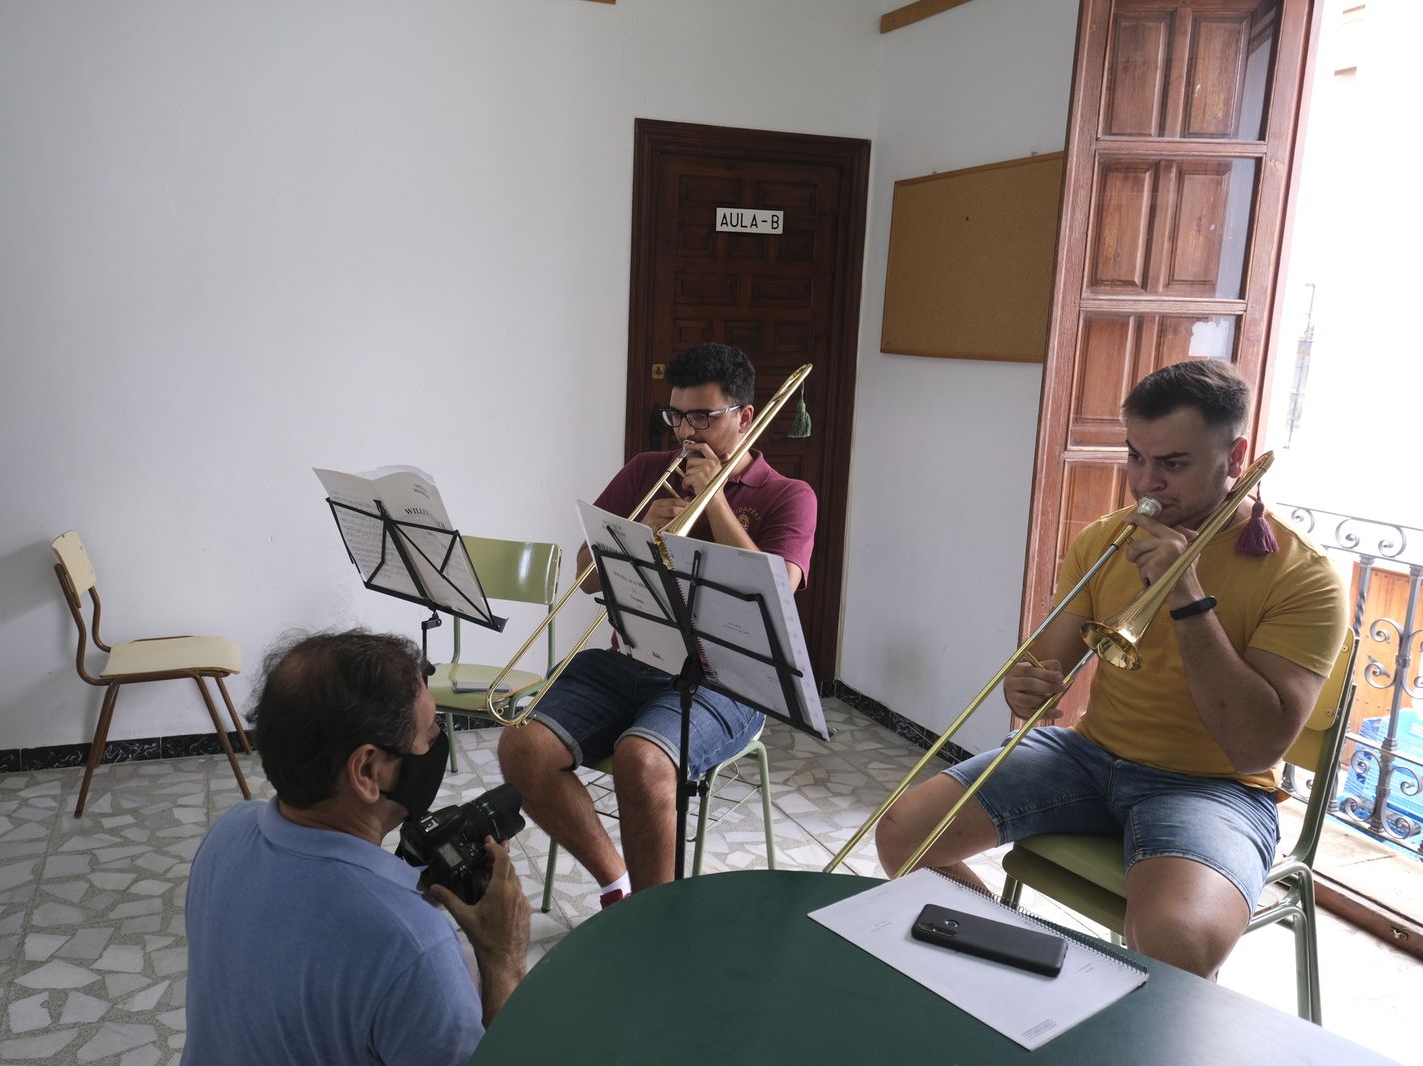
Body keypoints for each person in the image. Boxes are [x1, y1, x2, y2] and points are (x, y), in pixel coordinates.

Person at [875, 359, 1346, 979]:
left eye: (1173, 464)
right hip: (1087, 754)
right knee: (901, 834)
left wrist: (1186, 596)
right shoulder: (1105, 539)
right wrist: (1027, 684)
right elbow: (1046, 666)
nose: (1146, 483)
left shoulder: (1305, 577)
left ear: (1235, 457)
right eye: (1135, 457)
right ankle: (1016, 971)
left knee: (1179, 946)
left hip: (1214, 786)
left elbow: (1255, 746)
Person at [498, 342, 817, 906]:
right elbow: (586, 576)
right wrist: (640, 530)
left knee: (641, 761)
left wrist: (713, 500)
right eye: (676, 416)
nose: (685, 433)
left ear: (746, 416)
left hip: (727, 679)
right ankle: (618, 885)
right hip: (631, 658)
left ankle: (655, 921)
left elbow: (776, 592)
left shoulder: (789, 495)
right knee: (522, 746)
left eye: (702, 417)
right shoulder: (647, 471)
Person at [183, 629, 530, 1066]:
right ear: (367, 770)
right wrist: (503, 959)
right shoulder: (413, 946)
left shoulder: (229, 832)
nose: (436, 740)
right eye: (428, 731)